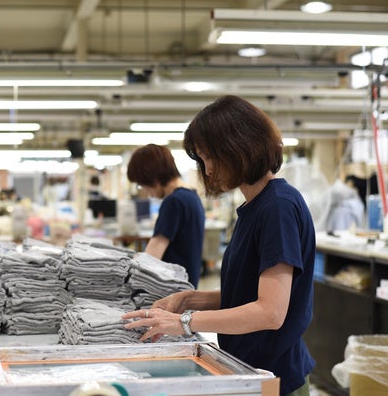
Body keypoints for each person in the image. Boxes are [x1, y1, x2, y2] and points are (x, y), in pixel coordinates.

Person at [122, 96, 316, 396]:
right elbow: (248, 292)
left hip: (276, 378)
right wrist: (188, 300)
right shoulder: (255, 207)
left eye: (210, 157)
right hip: (250, 368)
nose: (208, 170)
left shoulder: (278, 207)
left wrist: (185, 322)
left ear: (239, 146)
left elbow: (270, 311)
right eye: (202, 160)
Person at [126, 143, 205, 288]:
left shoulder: (173, 201)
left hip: (171, 288)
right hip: (187, 285)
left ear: (152, 177)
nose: (147, 192)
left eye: (143, 185)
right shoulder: (192, 196)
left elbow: (151, 257)